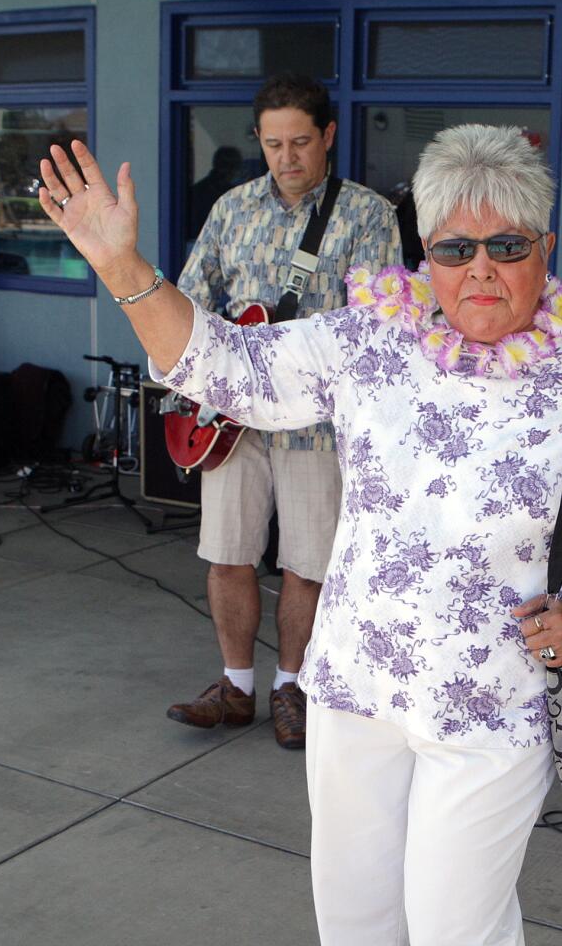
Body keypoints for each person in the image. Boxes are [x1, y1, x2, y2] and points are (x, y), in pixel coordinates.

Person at [37, 124, 562, 944]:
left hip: (492, 708)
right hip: (354, 692)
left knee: (457, 927)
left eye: (506, 244)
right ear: (425, 252)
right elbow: (223, 365)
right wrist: (121, 269)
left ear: (545, 247)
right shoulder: (367, 341)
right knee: (354, 921)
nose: (479, 268)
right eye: (454, 248)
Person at [169, 73, 402, 750]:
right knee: (227, 555)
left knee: (308, 563)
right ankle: (236, 685)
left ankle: (291, 684)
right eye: (273, 144)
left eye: (300, 141)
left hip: (318, 428)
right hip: (233, 423)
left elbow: (381, 327)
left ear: (328, 136)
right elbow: (190, 306)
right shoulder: (231, 210)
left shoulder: (366, 216)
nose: (287, 157)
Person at [187, 145, 244, 239]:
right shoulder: (197, 194)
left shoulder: (237, 194)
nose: (231, 171)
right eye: (226, 165)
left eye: (234, 167)